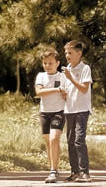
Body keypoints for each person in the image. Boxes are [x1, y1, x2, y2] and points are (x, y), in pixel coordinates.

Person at [62, 40, 93, 182]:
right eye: (66, 53)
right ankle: (74, 172)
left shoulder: (84, 68)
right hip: (69, 110)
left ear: (79, 53)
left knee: (79, 140)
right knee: (70, 141)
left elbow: (84, 88)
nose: (67, 55)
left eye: (70, 52)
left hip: (81, 110)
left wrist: (71, 77)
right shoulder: (65, 71)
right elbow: (65, 90)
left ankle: (84, 172)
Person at [35, 48, 66, 183]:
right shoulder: (41, 76)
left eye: (50, 63)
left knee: (54, 139)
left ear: (57, 63)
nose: (47, 65)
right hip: (44, 112)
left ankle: (53, 170)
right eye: (45, 63)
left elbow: (67, 94)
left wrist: (64, 93)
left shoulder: (63, 77)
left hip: (59, 111)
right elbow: (39, 92)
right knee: (48, 141)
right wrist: (57, 90)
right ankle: (54, 169)